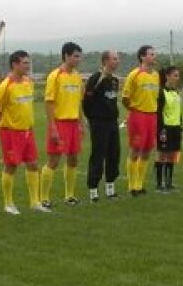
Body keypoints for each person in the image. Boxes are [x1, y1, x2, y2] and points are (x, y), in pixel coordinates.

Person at [0, 50, 49, 215]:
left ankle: (34, 202)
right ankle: (8, 203)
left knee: (33, 165)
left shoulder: (28, 82)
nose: (28, 66)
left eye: (28, 62)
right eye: (25, 63)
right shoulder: (5, 86)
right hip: (11, 132)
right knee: (11, 166)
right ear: (15, 64)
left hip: (27, 131)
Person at [41, 41, 84, 206]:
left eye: (79, 57)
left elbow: (78, 102)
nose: (78, 60)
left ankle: (69, 195)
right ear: (66, 56)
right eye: (75, 56)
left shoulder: (77, 76)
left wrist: (81, 122)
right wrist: (52, 127)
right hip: (59, 123)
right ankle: (44, 198)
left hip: (73, 123)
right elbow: (49, 102)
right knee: (54, 160)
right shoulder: (55, 75)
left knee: (73, 159)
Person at [121, 45, 160, 196]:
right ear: (142, 57)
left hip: (152, 115)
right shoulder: (134, 74)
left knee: (147, 150)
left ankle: (140, 184)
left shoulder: (156, 75)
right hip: (138, 115)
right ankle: (132, 186)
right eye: (151, 54)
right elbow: (125, 97)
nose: (154, 56)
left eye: (154, 54)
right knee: (136, 149)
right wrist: (133, 110)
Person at [83, 50, 121, 201]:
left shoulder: (115, 80)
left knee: (114, 153)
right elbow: (86, 101)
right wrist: (91, 118)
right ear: (105, 61)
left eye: (118, 59)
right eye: (114, 59)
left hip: (112, 122)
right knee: (98, 154)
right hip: (99, 123)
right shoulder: (95, 78)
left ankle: (110, 188)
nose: (117, 61)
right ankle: (93, 190)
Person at [155, 65, 183, 191]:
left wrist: (180, 125)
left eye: (178, 76)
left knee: (172, 155)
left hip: (176, 128)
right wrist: (162, 130)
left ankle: (169, 182)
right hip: (165, 128)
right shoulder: (161, 92)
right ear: (167, 76)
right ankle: (159, 184)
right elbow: (159, 112)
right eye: (175, 75)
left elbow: (178, 111)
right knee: (162, 155)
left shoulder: (176, 93)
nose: (177, 78)